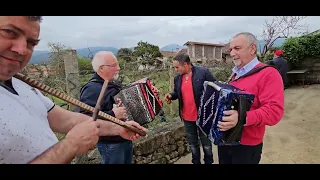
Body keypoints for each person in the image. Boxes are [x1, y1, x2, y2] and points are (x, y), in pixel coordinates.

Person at [0, 16, 147, 164]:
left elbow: (70, 120)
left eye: (31, 43)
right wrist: (70, 145)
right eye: (9, 32)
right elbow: (84, 114)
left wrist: (119, 128)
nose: (21, 50)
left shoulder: (22, 86)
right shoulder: (92, 88)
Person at [217, 32, 284, 164]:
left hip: (247, 145)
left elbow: (274, 112)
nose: (232, 53)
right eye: (231, 49)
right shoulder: (235, 74)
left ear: (252, 48)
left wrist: (242, 117)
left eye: (237, 48)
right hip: (225, 139)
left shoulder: (269, 74)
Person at [164, 53, 216, 164]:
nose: (175, 69)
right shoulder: (178, 78)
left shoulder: (203, 73)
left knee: (206, 144)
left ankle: (208, 162)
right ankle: (195, 162)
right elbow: (178, 93)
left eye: (177, 67)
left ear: (186, 64)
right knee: (193, 144)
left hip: (203, 117)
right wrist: (171, 95)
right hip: (187, 117)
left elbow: (215, 88)